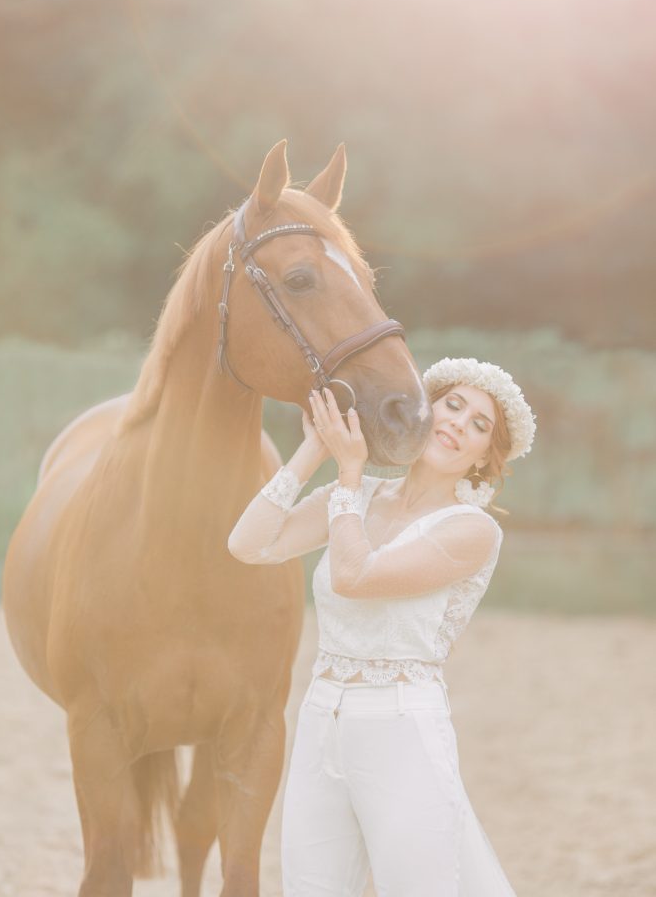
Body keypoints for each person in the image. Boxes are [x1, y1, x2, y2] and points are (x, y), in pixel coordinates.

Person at [228, 357, 536, 897]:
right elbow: (249, 544)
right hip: (321, 717)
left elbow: (354, 575)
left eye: (480, 425)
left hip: (402, 727)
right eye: (453, 405)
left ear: (487, 456)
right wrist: (314, 452)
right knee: (310, 887)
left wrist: (348, 474)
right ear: (424, 410)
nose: (459, 423)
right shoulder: (360, 496)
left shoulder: (472, 531)